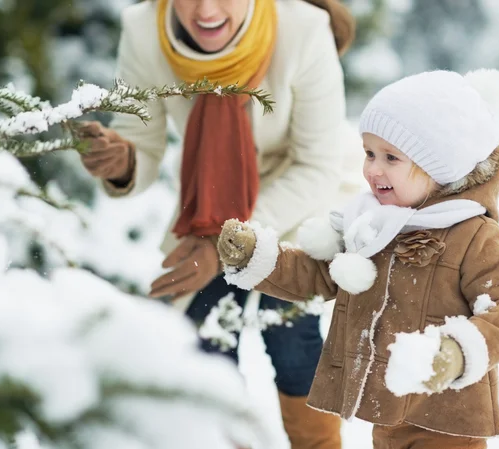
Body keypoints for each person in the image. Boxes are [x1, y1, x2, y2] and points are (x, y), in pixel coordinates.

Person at [77, 0, 360, 447]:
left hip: (296, 199)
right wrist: (122, 160)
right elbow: (140, 139)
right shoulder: (143, 29)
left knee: (289, 335)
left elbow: (316, 168)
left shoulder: (305, 29)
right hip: (208, 199)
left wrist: (224, 245)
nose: (205, 9)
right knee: (203, 342)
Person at [217, 68, 499, 449]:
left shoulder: (472, 234)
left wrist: (455, 352)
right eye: (368, 153)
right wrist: (258, 257)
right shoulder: (372, 224)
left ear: (439, 164)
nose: (373, 169)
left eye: (390, 157)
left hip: (449, 417)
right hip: (388, 409)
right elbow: (318, 276)